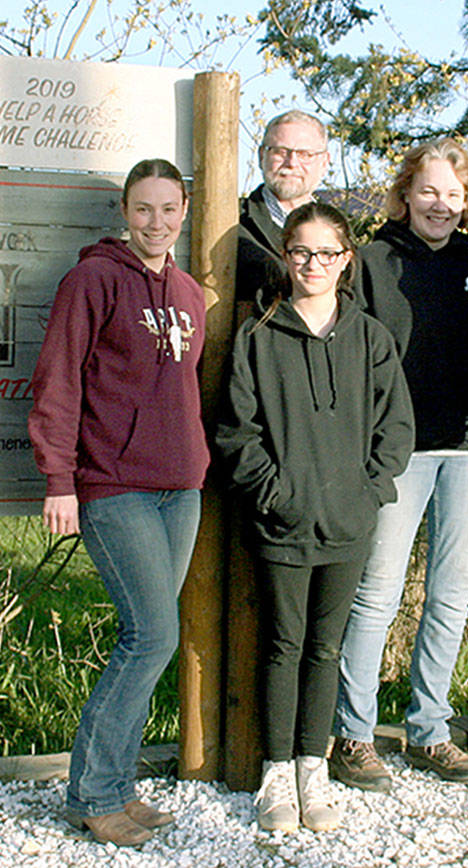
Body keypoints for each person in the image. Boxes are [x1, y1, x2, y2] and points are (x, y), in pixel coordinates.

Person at [329, 139, 468, 792]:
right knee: (378, 591)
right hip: (399, 451)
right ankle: (353, 734)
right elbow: (350, 354)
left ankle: (429, 730)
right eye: (429, 191)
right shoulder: (373, 264)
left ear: (467, 202)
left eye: (453, 194)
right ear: (406, 193)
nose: (441, 205)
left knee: (450, 592)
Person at [216, 202, 414, 833]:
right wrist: (277, 492)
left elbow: (396, 431)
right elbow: (236, 433)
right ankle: (276, 775)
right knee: (283, 645)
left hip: (349, 526)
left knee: (326, 649)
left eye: (326, 253)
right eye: (300, 251)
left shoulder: (370, 339)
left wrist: (367, 492)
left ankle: (313, 768)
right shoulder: (258, 334)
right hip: (282, 523)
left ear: (346, 260)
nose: (312, 264)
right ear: (285, 256)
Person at [28, 159, 208, 847]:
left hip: (180, 486)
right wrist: (60, 481)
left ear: (184, 209)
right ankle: (93, 794)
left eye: (167, 209)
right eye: (142, 209)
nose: (156, 222)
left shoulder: (190, 293)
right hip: (114, 484)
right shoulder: (93, 280)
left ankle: (117, 789)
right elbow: (58, 382)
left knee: (152, 644)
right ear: (124, 213)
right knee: (151, 635)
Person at [238, 110, 331, 303]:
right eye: (281, 151)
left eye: (305, 154)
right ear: (262, 155)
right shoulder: (233, 223)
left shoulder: (336, 230)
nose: (291, 163)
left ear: (324, 162)